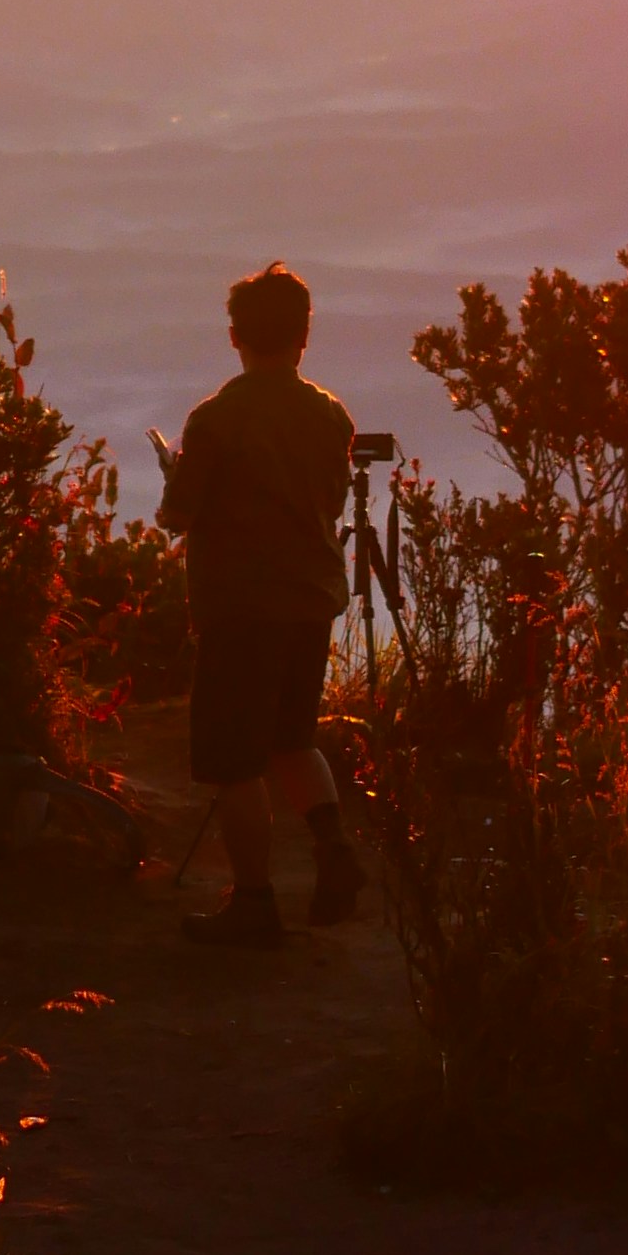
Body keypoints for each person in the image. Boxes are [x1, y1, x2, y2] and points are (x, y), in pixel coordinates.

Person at [156, 261, 368, 950]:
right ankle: (334, 849)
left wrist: (176, 474)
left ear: (233, 336)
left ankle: (253, 902)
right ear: (304, 337)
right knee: (291, 739)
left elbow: (178, 515)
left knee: (234, 761)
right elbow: (329, 501)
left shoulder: (217, 418)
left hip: (242, 605)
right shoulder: (330, 412)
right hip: (311, 597)